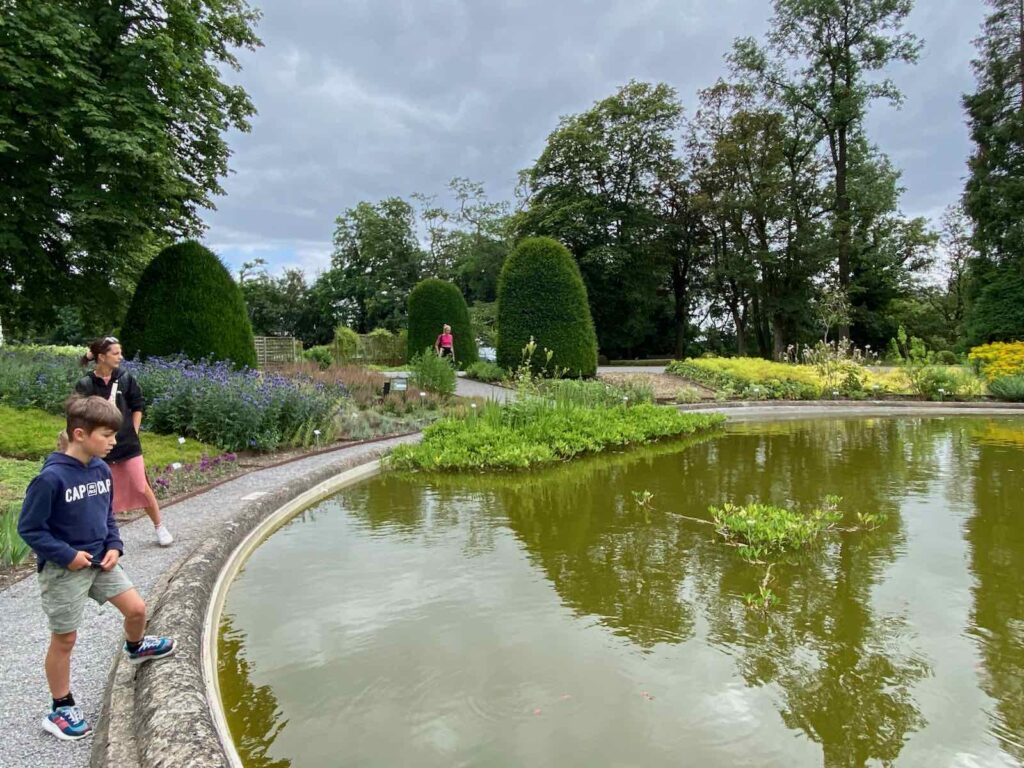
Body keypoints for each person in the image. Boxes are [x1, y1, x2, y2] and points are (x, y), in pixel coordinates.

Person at [18, 395, 176, 741]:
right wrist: (66, 555)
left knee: (137, 610)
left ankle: (135, 648)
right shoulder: (51, 479)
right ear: (79, 434)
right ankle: (60, 708)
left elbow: (107, 515)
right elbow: (29, 529)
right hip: (64, 570)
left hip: (101, 561)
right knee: (65, 638)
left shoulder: (101, 470)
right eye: (106, 435)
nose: (114, 442)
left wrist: (115, 546)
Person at [75, 337, 172, 546]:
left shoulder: (126, 378)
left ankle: (159, 527)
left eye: (120, 352)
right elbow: (79, 415)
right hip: (100, 449)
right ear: (102, 357)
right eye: (116, 353)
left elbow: (138, 406)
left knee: (141, 486)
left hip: (129, 446)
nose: (121, 357)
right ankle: (104, 537)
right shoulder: (86, 384)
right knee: (102, 492)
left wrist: (134, 431)